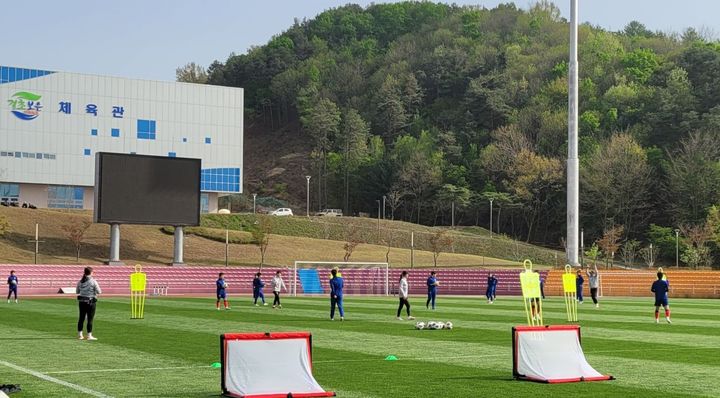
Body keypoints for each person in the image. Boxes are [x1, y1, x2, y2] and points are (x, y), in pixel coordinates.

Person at [76, 267, 101, 340]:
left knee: (81, 318)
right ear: (91, 273)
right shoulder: (93, 281)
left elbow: (77, 292)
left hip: (82, 302)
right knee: (90, 319)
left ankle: (80, 335)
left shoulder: (80, 281)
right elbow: (99, 291)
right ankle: (89, 335)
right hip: (90, 302)